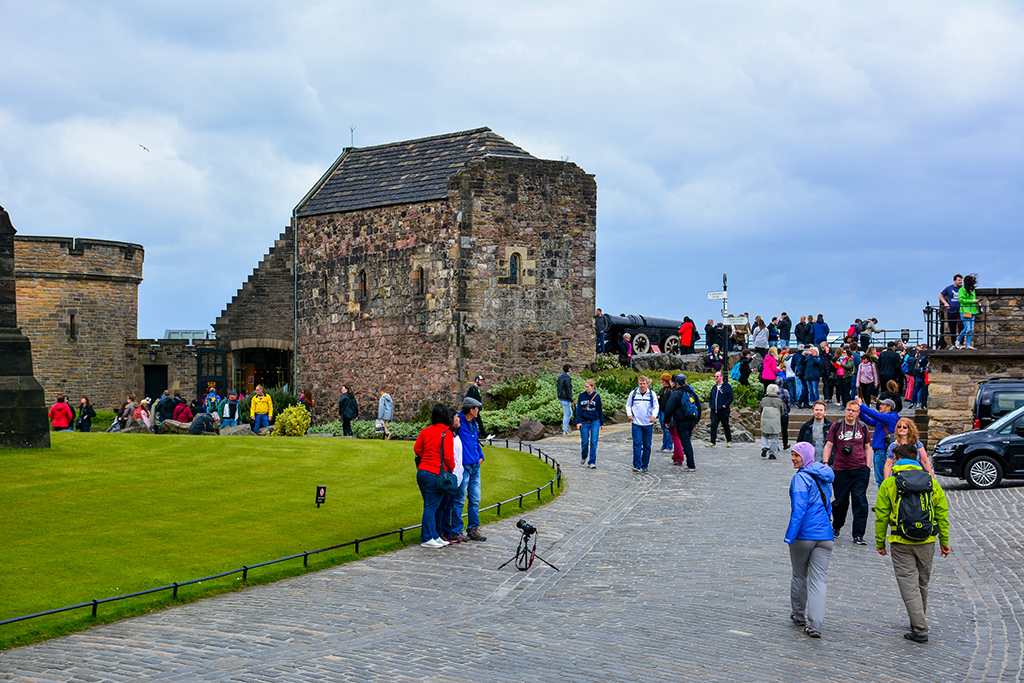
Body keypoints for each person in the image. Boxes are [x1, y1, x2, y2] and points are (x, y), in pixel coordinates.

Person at [875, 444, 951, 643]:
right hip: (927, 540)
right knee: (922, 584)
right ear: (916, 458)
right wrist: (945, 541)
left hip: (901, 541)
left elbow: (881, 516)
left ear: (895, 458)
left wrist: (880, 541)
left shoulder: (890, 483)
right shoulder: (931, 482)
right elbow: (942, 514)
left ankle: (919, 627)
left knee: (908, 586)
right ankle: (917, 619)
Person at [786, 442, 835, 639]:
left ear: (804, 457)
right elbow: (829, 504)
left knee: (799, 575)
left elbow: (799, 510)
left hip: (804, 535)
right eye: (792, 454)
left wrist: (790, 535)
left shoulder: (800, 479)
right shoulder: (824, 476)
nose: (793, 458)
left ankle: (799, 615)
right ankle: (816, 624)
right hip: (825, 535)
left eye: (796, 455)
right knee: (819, 580)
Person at [823, 401, 873, 546]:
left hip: (859, 469)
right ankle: (837, 526)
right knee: (840, 501)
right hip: (841, 469)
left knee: (860, 501)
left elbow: (867, 447)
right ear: (845, 411)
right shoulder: (836, 426)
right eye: (848, 410)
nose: (850, 413)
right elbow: (829, 445)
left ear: (858, 413)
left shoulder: (862, 427)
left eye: (854, 411)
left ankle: (858, 534)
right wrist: (826, 463)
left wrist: (867, 466)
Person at [414, 404, 457, 549]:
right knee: (431, 506)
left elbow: (418, 449)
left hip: (422, 471)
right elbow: (449, 456)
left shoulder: (425, 431)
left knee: (430, 505)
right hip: (436, 472)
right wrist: (451, 468)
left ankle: (433, 535)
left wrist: (427, 457)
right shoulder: (447, 433)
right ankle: (427, 537)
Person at [453, 396, 487, 541]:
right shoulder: (459, 423)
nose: (478, 411)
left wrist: (481, 455)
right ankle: (456, 529)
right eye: (477, 408)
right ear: (471, 410)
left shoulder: (473, 424)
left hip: (475, 466)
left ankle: (473, 528)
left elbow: (475, 441)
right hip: (465, 466)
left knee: (475, 499)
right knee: (460, 499)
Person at [857, 397, 900, 487]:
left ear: (889, 407)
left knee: (881, 480)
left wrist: (861, 406)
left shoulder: (890, 417)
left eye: (883, 405)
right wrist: (859, 411)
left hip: (882, 451)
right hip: (881, 451)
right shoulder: (884, 419)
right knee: (882, 479)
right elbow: (869, 421)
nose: (880, 406)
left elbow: (874, 414)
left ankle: (884, 498)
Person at [665, 374, 700, 470]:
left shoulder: (676, 393)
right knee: (687, 441)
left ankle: (691, 465)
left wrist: (667, 420)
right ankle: (689, 463)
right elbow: (698, 406)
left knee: (686, 443)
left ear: (677, 384)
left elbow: (669, 407)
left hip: (681, 421)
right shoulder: (691, 393)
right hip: (691, 420)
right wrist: (697, 420)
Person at [626, 375, 659, 472]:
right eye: (640, 384)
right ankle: (636, 464)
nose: (642, 386)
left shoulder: (652, 394)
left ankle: (645, 465)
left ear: (647, 384)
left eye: (644, 384)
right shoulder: (633, 393)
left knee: (647, 445)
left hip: (648, 423)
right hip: (636, 423)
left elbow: (656, 406)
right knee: (637, 443)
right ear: (638, 384)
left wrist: (654, 416)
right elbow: (628, 405)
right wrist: (630, 414)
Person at [575, 379, 604, 469]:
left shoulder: (597, 396)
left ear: (592, 387)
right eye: (585, 387)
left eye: (588, 387)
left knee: (593, 442)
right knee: (584, 442)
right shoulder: (581, 396)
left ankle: (592, 461)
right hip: (584, 421)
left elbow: (600, 410)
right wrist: (578, 421)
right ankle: (584, 456)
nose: (586, 388)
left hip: (595, 421)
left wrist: (602, 423)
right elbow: (579, 409)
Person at [706, 370, 733, 448]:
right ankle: (712, 441)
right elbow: (711, 397)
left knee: (725, 425)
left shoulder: (727, 387)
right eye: (715, 376)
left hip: (723, 411)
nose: (715, 378)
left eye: (717, 376)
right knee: (713, 426)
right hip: (714, 410)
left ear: (721, 377)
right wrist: (711, 405)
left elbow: (731, 397)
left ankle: (729, 441)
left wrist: (725, 405)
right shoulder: (714, 387)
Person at [759, 384, 785, 460]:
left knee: (764, 434)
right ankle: (772, 454)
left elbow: (760, 409)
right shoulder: (779, 401)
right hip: (775, 420)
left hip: (765, 419)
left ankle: (764, 446)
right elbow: (782, 410)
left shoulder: (764, 400)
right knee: (775, 437)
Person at [939, 274, 964, 349]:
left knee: (961, 327)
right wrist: (945, 303)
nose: (960, 282)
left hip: (960, 311)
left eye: (961, 280)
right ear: (955, 281)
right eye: (959, 280)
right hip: (951, 311)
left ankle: (960, 343)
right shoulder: (949, 288)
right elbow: (940, 296)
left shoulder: (963, 289)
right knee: (952, 329)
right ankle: (953, 344)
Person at [955, 273, 979, 349]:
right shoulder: (961, 290)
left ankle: (968, 345)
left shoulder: (972, 290)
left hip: (972, 310)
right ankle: (958, 341)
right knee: (967, 328)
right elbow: (961, 300)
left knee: (971, 329)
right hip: (964, 310)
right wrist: (973, 301)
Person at [657, 373, 674, 452]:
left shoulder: (670, 390)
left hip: (665, 411)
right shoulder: (663, 389)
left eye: (663, 381)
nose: (662, 383)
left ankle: (669, 446)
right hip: (661, 410)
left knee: (667, 429)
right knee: (664, 429)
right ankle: (664, 445)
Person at [557, 364, 574, 435]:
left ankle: (565, 428)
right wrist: (571, 400)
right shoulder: (567, 378)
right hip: (565, 399)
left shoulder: (560, 377)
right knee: (567, 414)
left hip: (561, 397)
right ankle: (565, 430)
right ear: (569, 370)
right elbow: (568, 390)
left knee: (569, 412)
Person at [776, 376, 792, 450]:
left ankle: (776, 444)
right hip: (784, 413)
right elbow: (788, 402)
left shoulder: (773, 391)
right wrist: (787, 410)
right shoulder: (784, 391)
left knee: (776, 430)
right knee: (784, 429)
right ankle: (785, 444)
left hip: (775, 413)